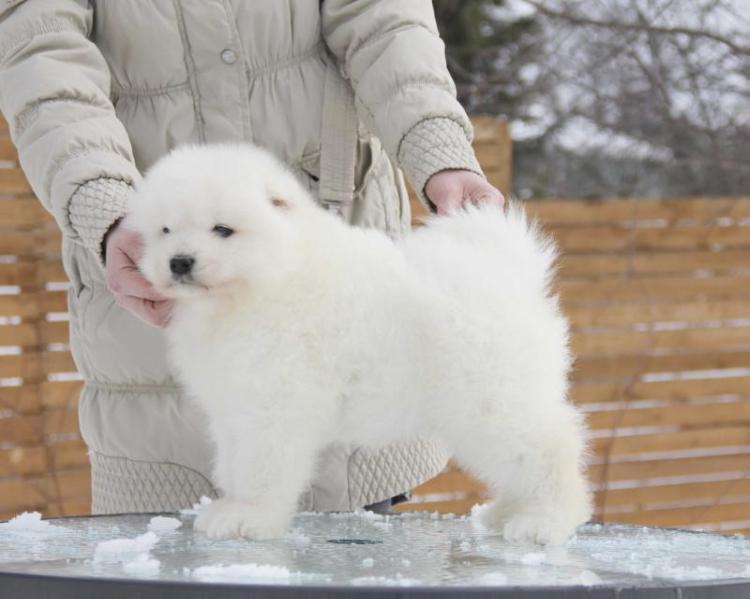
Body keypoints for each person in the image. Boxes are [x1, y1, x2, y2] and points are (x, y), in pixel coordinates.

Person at [0, 1, 505, 514]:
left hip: (339, 267)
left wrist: (437, 149)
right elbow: (42, 58)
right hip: (153, 305)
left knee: (353, 566)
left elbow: (385, 22)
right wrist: (103, 205)